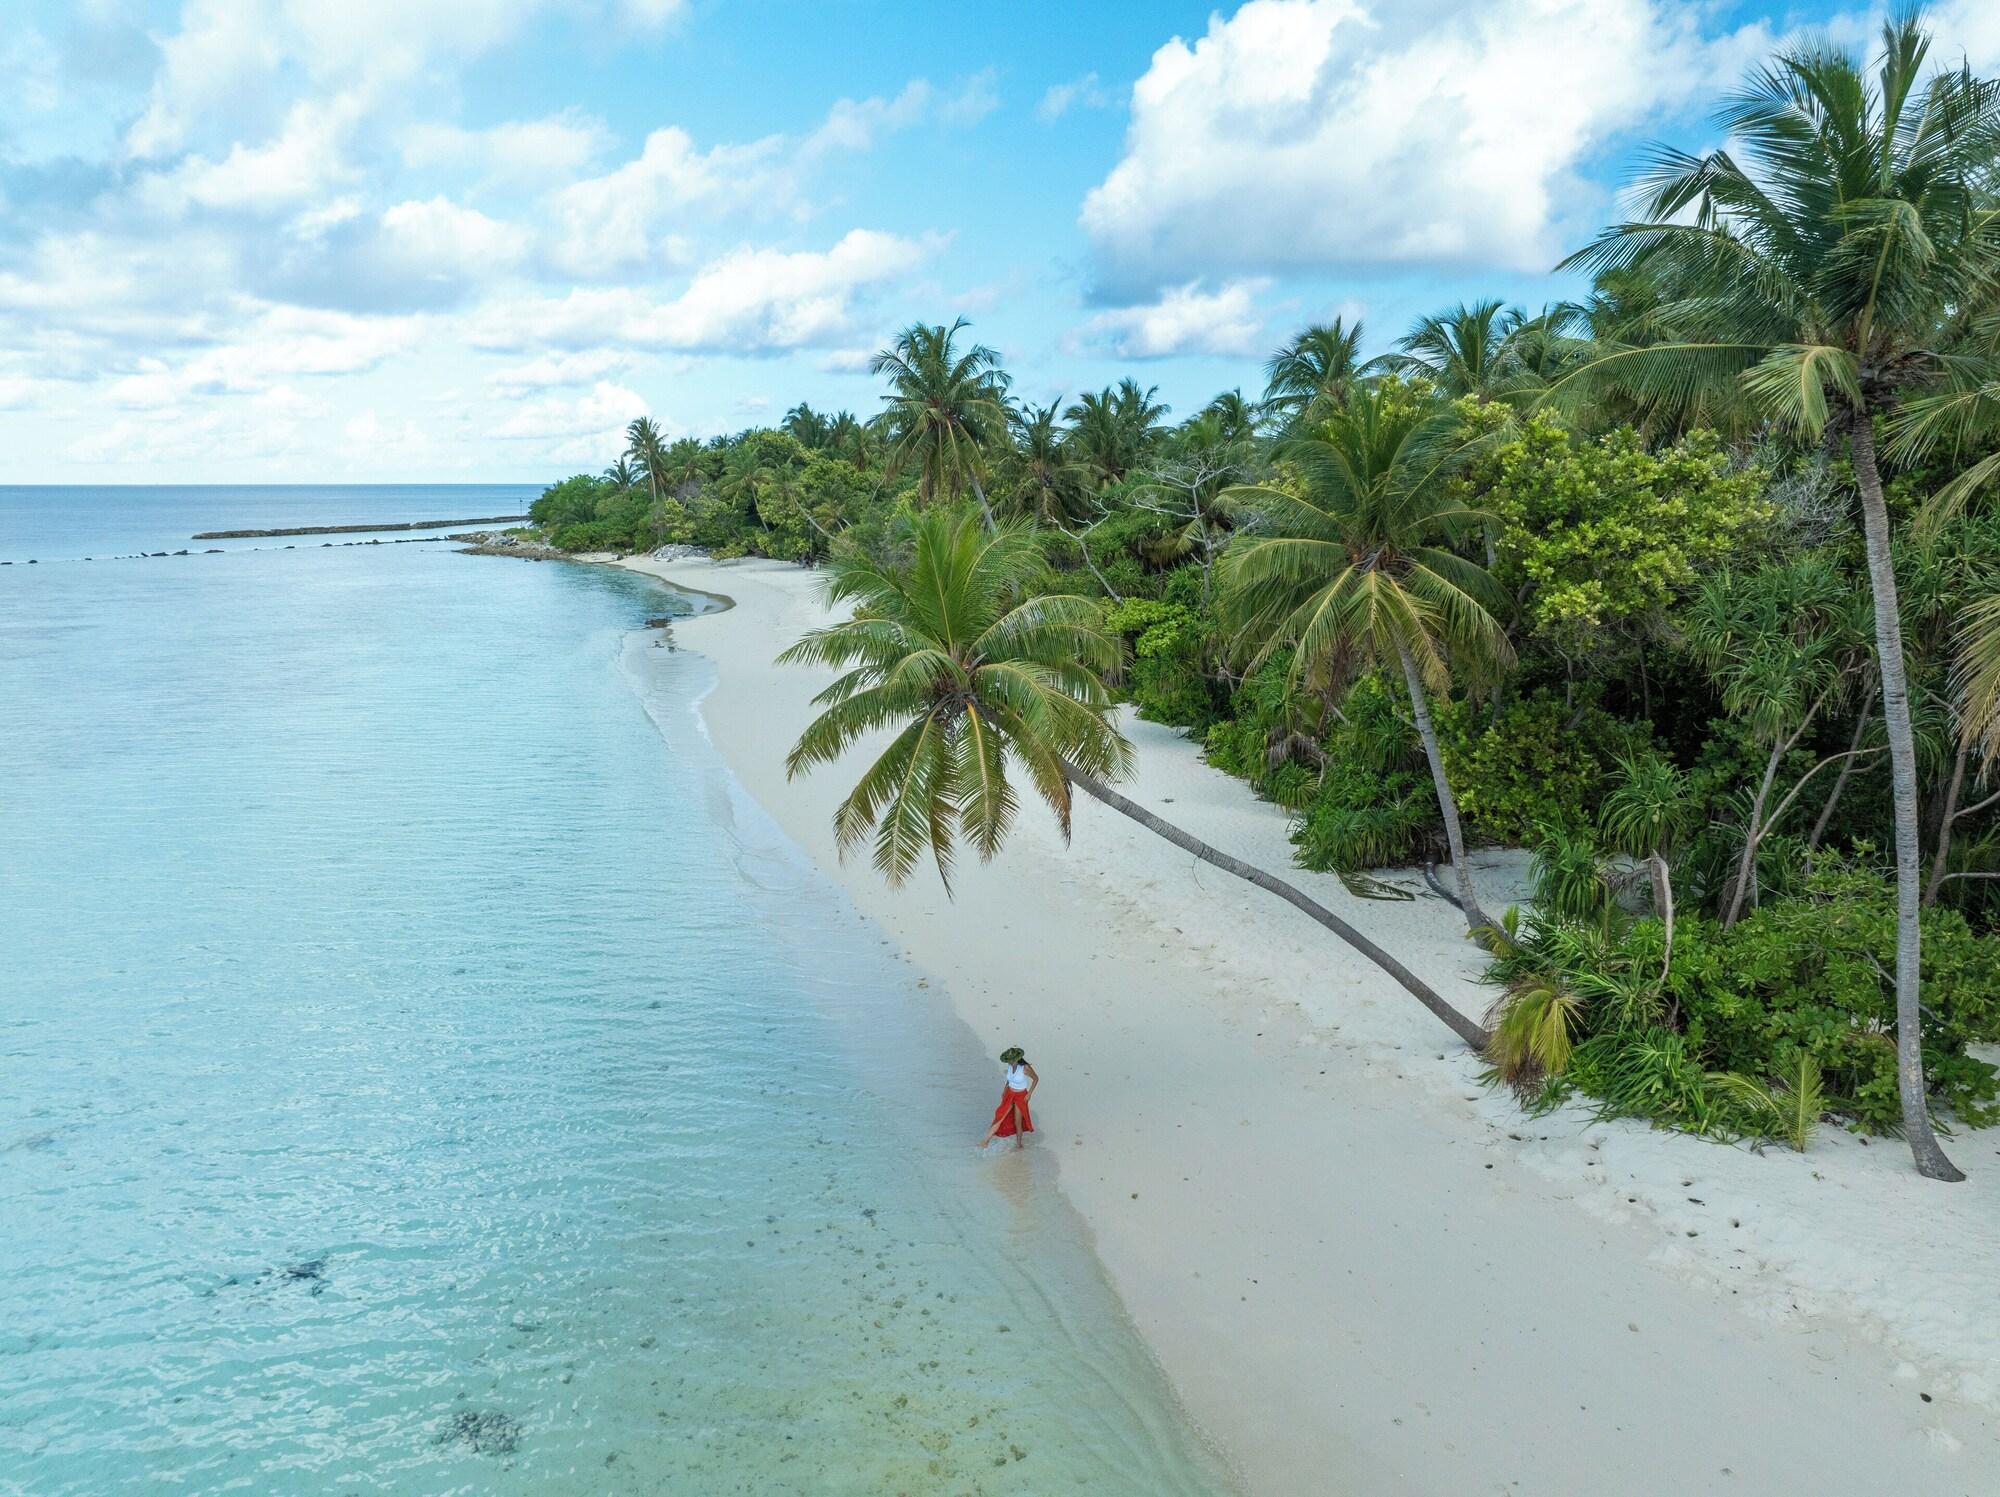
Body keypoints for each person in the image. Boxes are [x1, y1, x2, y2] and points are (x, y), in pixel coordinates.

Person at [978, 1046, 1037, 1150]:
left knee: (1017, 1121)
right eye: (1008, 1060)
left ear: (1016, 1059)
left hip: (1021, 1096)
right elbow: (1009, 1080)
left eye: (1011, 1060)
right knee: (1000, 1116)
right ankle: (985, 1141)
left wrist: (1029, 1094)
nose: (1009, 1062)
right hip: (1009, 1093)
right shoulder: (1010, 1066)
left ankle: (1019, 1144)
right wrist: (1004, 1089)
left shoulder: (1025, 1068)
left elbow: (1036, 1079)